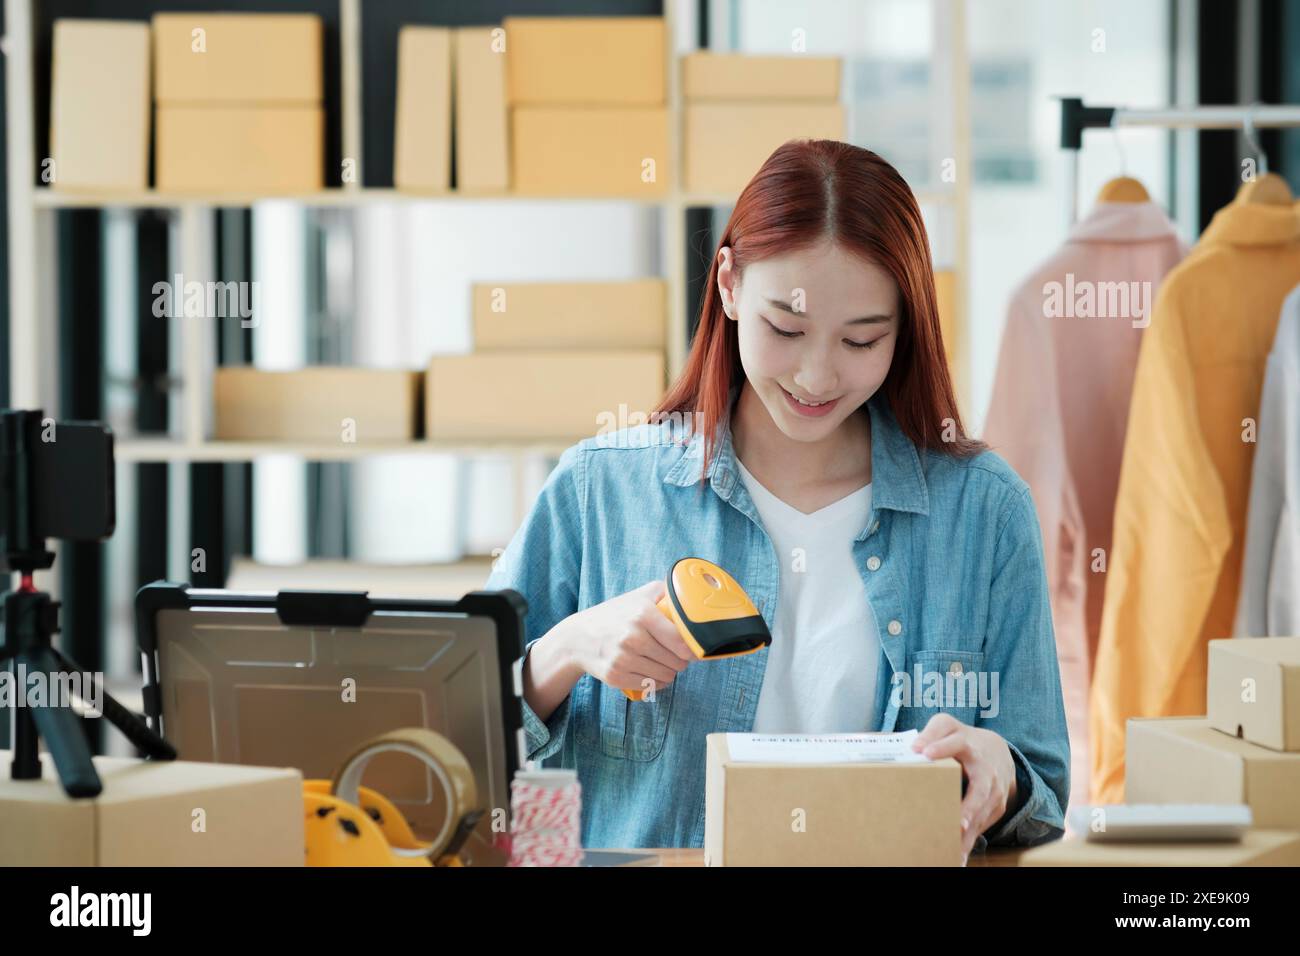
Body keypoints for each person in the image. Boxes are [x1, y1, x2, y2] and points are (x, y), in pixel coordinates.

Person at [485, 139, 1069, 855]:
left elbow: (1041, 792)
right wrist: (568, 648)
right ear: (729, 285)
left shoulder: (984, 513)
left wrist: (999, 772)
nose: (817, 377)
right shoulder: (600, 490)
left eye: (861, 341)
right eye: (785, 329)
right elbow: (450, 748)